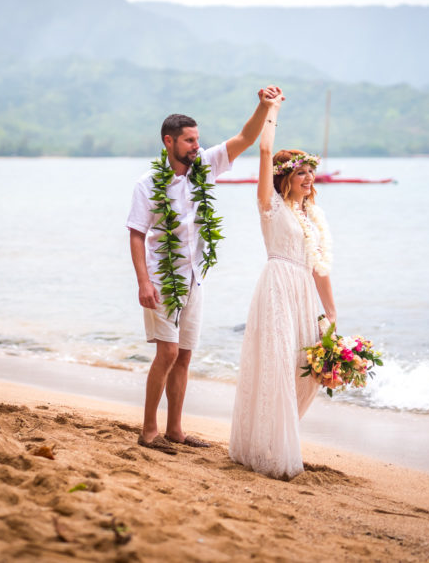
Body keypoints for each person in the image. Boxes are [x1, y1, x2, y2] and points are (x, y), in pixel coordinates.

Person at [127, 87, 282, 453]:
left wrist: (263, 106)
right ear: (169, 142)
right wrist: (143, 283)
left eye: (198, 139)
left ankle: (175, 430)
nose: (197, 146)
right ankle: (148, 431)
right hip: (162, 278)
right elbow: (136, 235)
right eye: (189, 140)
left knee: (183, 355)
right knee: (165, 353)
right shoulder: (147, 186)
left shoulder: (205, 167)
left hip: (195, 276)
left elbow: (246, 137)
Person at [229, 87, 337, 479]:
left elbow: (320, 267)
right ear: (284, 177)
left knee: (306, 371)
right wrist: (270, 110)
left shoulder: (313, 215)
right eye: (300, 172)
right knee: (276, 365)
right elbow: (262, 151)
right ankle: (267, 447)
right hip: (277, 286)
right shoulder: (270, 207)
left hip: (305, 294)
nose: (308, 178)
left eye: (311, 172)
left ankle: (280, 436)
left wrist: (332, 313)